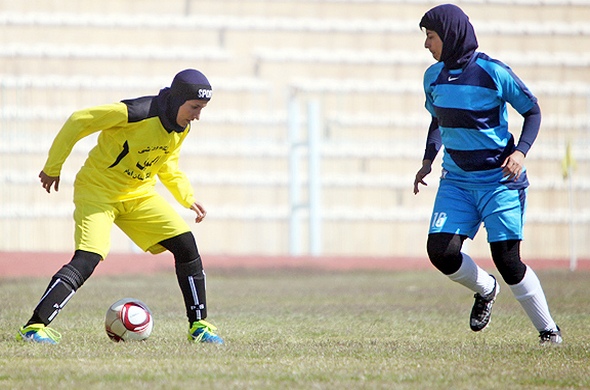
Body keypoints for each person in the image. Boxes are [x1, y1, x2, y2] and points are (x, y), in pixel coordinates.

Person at [16, 69, 224, 344]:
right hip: (98, 192)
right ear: (177, 100)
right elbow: (78, 121)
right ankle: (34, 328)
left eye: (202, 109)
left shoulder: (181, 126)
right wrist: (53, 167)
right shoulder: (135, 112)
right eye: (195, 107)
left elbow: (168, 164)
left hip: (138, 195)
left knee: (186, 245)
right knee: (89, 257)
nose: (197, 115)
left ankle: (199, 327)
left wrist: (186, 196)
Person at [413, 4, 562, 344]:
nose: (427, 45)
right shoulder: (432, 77)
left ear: (449, 36)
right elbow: (437, 120)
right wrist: (428, 160)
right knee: (441, 251)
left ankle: (548, 331)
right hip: (457, 181)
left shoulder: (492, 72)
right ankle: (486, 289)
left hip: (499, 181)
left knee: (508, 260)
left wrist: (520, 151)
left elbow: (533, 110)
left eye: (431, 37)